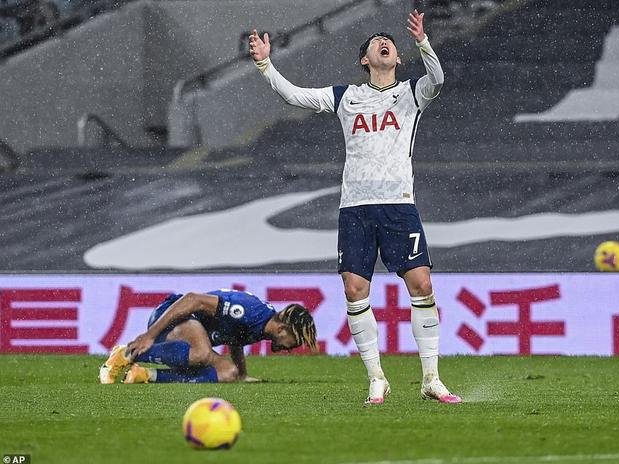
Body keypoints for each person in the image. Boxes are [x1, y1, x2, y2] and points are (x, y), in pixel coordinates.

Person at [249, 9, 461, 404]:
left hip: (399, 205)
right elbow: (294, 94)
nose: (384, 44)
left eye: (390, 44)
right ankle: (376, 378)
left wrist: (422, 42)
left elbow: (439, 79)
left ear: (397, 58)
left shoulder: (412, 93)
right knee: (354, 289)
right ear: (365, 60)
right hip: (356, 208)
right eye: (375, 44)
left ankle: (431, 378)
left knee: (422, 285)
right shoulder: (347, 97)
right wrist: (265, 64)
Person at [98, 289, 318, 384]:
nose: (292, 348)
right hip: (172, 318)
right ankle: (125, 354)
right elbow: (193, 299)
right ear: (282, 330)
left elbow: (235, 340)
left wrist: (242, 373)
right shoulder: (249, 311)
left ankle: (146, 375)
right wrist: (149, 335)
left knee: (228, 373)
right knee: (202, 353)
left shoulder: (263, 327)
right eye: (295, 341)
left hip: (189, 336)